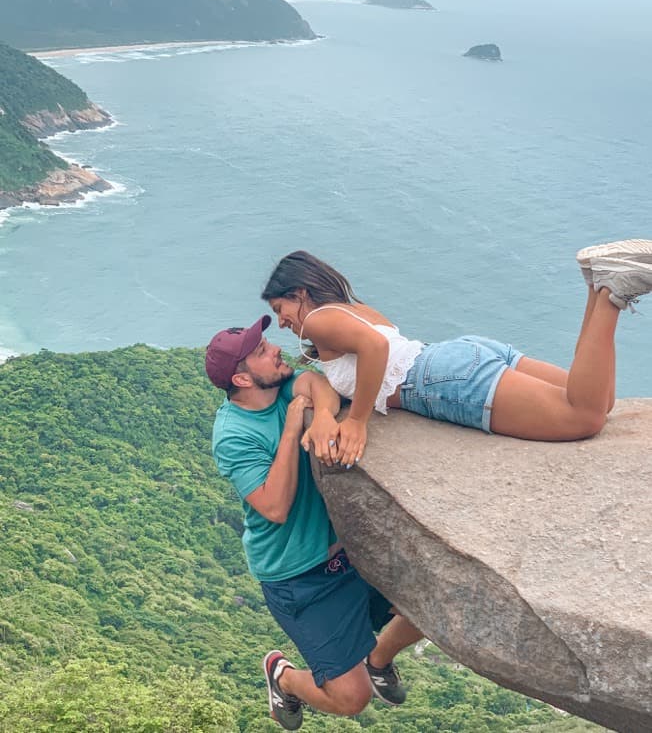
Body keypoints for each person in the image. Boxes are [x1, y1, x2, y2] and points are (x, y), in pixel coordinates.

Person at [205, 315, 423, 730]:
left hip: (349, 558)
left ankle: (378, 661)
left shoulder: (284, 384)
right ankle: (283, 677)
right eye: (260, 352)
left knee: (433, 604)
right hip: (298, 578)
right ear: (244, 379)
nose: (275, 350)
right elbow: (274, 508)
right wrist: (291, 431)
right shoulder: (233, 435)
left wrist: (323, 415)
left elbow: (315, 384)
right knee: (349, 699)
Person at [261, 240, 652, 467]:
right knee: (600, 400)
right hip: (457, 356)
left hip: (441, 381)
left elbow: (375, 347)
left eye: (280, 310)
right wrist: (329, 412)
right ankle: (596, 282)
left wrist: (359, 420)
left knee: (584, 417)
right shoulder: (351, 309)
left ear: (300, 294)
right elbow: (347, 361)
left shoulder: (317, 321)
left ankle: (613, 294)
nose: (281, 322)